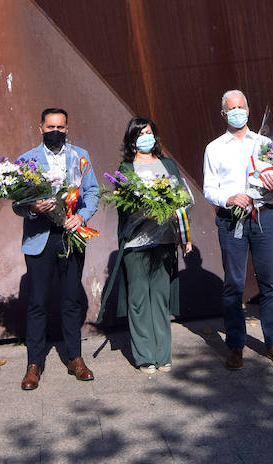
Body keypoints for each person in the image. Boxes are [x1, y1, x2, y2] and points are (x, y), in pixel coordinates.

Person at [202, 89, 273, 369]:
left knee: (269, 283)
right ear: (223, 114)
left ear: (249, 110)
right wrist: (228, 198)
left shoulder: (267, 143)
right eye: (232, 108)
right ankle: (235, 344)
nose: (237, 112)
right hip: (232, 221)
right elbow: (208, 188)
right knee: (234, 284)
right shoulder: (214, 148)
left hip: (264, 217)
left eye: (241, 107)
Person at [15, 107, 100, 390]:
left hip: (71, 235)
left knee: (71, 300)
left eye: (60, 127)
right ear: (40, 128)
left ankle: (75, 358)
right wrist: (33, 207)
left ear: (67, 129)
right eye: (50, 127)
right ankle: (33, 364)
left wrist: (82, 216)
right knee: (38, 302)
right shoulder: (26, 160)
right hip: (40, 238)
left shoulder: (81, 155)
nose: (55, 131)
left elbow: (92, 192)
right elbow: (16, 203)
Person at [99, 117, 193, 372]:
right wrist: (144, 209)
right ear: (131, 140)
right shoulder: (125, 169)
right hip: (136, 243)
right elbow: (123, 208)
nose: (146, 138)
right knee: (139, 300)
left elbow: (185, 201)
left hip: (164, 241)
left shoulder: (168, 165)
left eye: (149, 133)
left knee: (160, 299)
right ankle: (145, 357)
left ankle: (163, 355)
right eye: (140, 135)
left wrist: (185, 235)